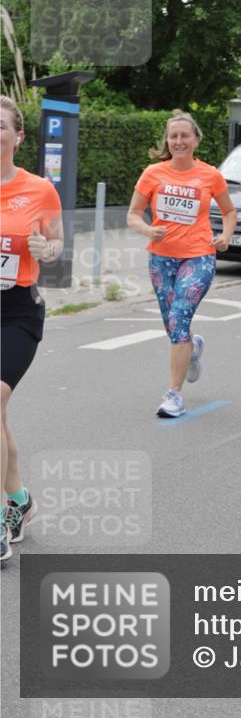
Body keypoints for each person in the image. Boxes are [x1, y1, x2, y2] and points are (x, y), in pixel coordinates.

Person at [128, 111, 237, 417]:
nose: (178, 141)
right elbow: (133, 213)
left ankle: (173, 395)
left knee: (178, 316)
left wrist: (225, 235)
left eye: (184, 135)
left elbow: (229, 211)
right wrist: (148, 230)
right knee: (173, 325)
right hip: (161, 258)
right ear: (167, 140)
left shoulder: (210, 175)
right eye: (173, 136)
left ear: (195, 140)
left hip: (198, 255)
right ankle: (191, 349)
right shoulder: (153, 173)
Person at [1, 96, 64, 563]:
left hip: (17, 313)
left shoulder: (39, 189)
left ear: (18, 136)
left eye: (0, 125)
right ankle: (20, 503)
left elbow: (57, 243)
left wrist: (47, 248)